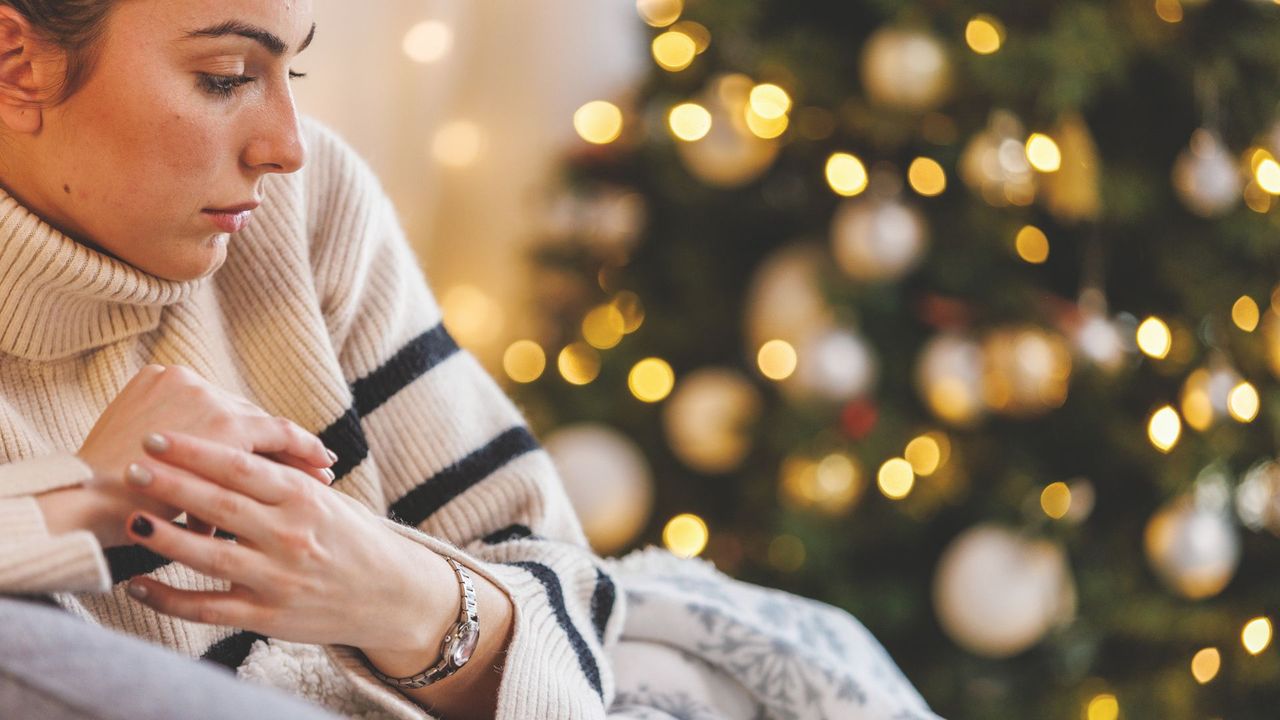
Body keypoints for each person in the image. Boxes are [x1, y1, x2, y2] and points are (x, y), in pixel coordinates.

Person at [0, 1, 944, 719]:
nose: (284, 145)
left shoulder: (301, 211)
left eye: (291, 72)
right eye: (224, 77)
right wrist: (81, 500)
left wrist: (398, 598)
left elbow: (565, 594)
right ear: (16, 62)